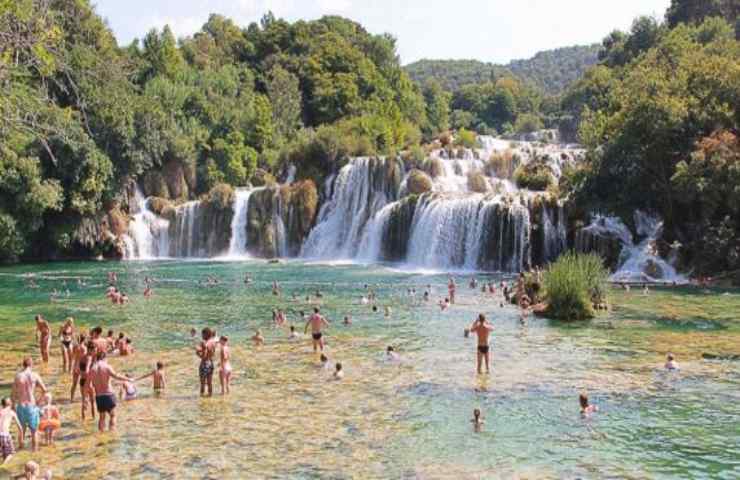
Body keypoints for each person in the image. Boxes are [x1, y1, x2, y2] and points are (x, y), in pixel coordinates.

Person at [89, 351, 132, 431]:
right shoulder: (107, 366)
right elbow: (116, 376)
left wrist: (87, 398)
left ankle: (101, 435)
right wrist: (128, 379)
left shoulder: (92, 368)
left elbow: (88, 385)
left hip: (99, 396)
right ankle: (111, 434)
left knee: (102, 417)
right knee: (113, 415)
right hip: (108, 394)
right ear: (104, 357)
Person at [12, 357, 47, 451]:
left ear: (23, 365)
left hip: (21, 405)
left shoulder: (18, 376)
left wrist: (12, 405)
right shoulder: (34, 375)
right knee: (34, 431)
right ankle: (34, 451)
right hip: (31, 405)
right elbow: (44, 390)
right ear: (31, 365)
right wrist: (39, 401)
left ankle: (20, 450)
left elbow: (13, 394)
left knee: (21, 430)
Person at [196, 328, 217, 397]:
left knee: (202, 383)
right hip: (211, 363)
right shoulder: (213, 342)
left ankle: (201, 397)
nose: (202, 336)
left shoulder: (205, 343)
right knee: (209, 382)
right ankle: (210, 396)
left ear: (206, 334)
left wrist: (198, 353)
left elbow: (204, 356)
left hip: (204, 363)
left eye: (202, 334)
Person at [0, 398, 22, 465]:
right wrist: (21, 440)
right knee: (11, 453)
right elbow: (20, 427)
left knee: (4, 454)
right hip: (5, 435)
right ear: (10, 404)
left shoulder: (0, 411)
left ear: (2, 404)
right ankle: (2, 466)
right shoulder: (11, 412)